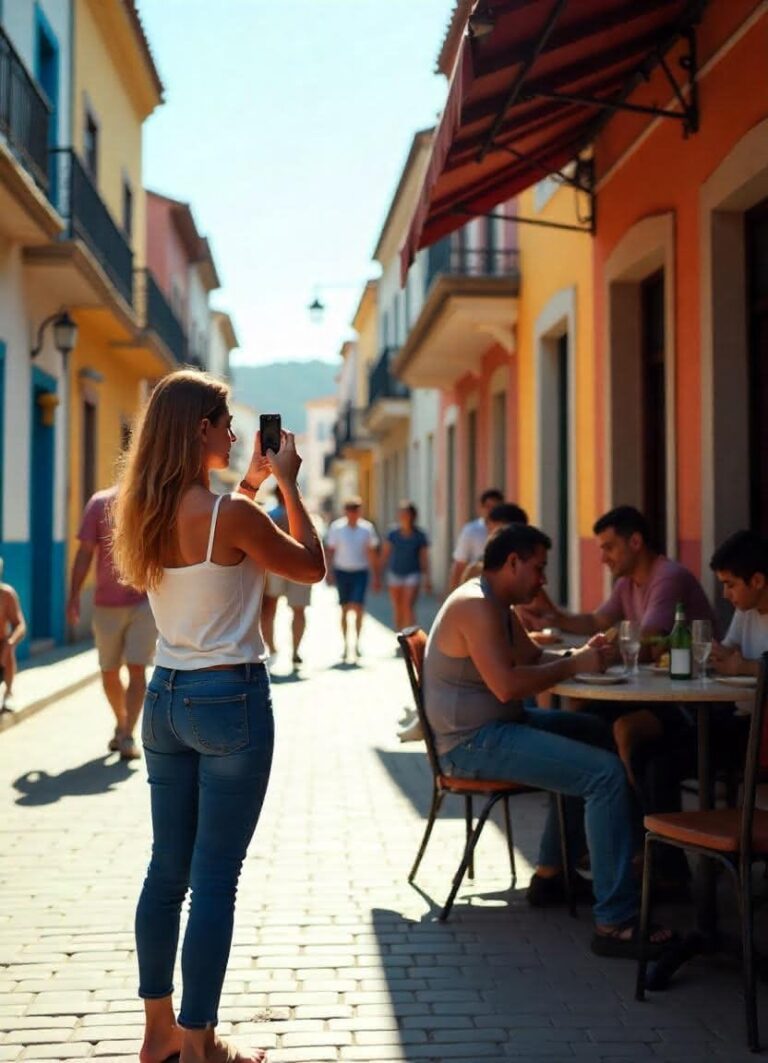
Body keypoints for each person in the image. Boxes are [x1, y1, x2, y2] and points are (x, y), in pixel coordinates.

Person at [111, 370, 325, 1063]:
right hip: (228, 697)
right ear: (198, 429)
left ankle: (158, 1034)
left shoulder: (141, 509)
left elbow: (217, 540)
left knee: (165, 870)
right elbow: (312, 566)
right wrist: (289, 480)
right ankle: (202, 1046)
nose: (236, 434)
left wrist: (255, 484)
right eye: (225, 420)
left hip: (167, 697)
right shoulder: (229, 515)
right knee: (214, 878)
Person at [423, 523, 674, 956]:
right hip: (472, 744)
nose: (543, 581)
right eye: (538, 569)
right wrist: (577, 665)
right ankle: (615, 922)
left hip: (497, 729)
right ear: (513, 562)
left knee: (597, 736)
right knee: (606, 775)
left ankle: (552, 874)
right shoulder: (477, 606)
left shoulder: (495, 602)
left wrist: (581, 655)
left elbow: (535, 658)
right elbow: (507, 685)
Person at [67, 485, 158, 760]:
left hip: (144, 602)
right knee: (108, 671)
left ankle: (128, 733)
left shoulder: (151, 500)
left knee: (137, 668)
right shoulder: (99, 503)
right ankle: (121, 720)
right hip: (106, 605)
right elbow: (84, 552)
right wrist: (73, 596)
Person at [261, 484, 313, 667]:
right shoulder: (270, 513)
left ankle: (295, 651)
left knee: (297, 609)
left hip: (297, 567)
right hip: (276, 567)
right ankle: (272, 649)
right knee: (269, 608)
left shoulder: (303, 514)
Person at [325, 497, 380, 661]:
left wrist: (376, 576)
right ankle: (345, 644)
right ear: (346, 512)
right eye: (351, 510)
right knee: (344, 608)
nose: (354, 514)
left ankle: (356, 643)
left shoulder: (367, 529)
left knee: (358, 607)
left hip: (360, 572)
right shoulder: (337, 528)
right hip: (342, 572)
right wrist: (328, 572)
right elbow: (331, 551)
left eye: (356, 510)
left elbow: (371, 553)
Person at [710, 530, 768, 676]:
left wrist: (747, 668)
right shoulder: (745, 608)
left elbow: (739, 665)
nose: (725, 594)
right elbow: (730, 649)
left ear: (757, 581)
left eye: (730, 585)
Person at [381, 500, 431, 633]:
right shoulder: (392, 534)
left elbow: (424, 558)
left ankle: (413, 639)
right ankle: (399, 636)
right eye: (401, 513)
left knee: (408, 606)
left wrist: (427, 579)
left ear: (413, 516)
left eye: (406, 513)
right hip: (394, 573)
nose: (403, 516)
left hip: (412, 573)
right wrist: (379, 576)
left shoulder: (420, 535)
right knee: (397, 607)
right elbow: (385, 554)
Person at [448, 487, 504, 591]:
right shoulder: (471, 530)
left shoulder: (507, 529)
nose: (491, 510)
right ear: (481, 508)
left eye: (495, 507)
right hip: (478, 586)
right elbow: (460, 563)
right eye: (488, 506)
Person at [460, 502, 528, 584]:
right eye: (490, 533)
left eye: (498, 535)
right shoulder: (477, 570)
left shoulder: (528, 571)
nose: (492, 540)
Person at [0, 560, 26, 711]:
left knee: (8, 646)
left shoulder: (6, 595)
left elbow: (20, 625)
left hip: (1, 647)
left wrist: (10, 642)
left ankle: (8, 693)